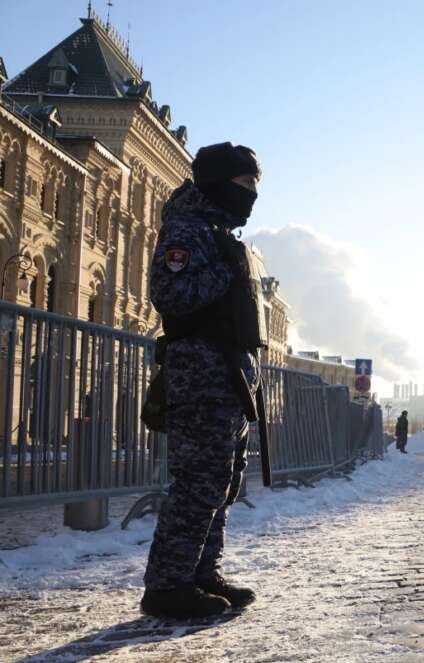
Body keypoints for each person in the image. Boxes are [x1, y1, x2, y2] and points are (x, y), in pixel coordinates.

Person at [141, 142, 266, 620]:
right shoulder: (187, 228)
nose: (252, 196)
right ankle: (167, 586)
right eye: (245, 185)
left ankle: (200, 573)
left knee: (222, 482)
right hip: (201, 375)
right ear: (217, 184)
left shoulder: (215, 230)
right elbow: (170, 293)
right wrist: (225, 272)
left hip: (227, 375)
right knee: (197, 483)